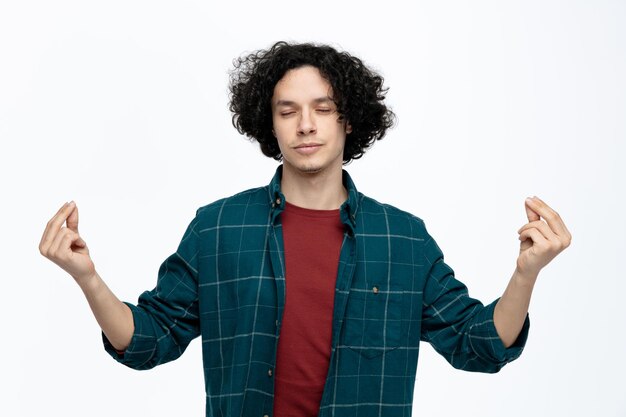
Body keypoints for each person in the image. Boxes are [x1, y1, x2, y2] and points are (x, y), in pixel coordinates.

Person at [39, 41, 572, 417]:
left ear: (347, 120)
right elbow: (147, 341)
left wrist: (526, 273)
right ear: (268, 124)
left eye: (323, 108)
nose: (307, 125)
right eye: (287, 110)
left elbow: (479, 345)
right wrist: (87, 277)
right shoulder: (219, 227)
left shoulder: (403, 239)